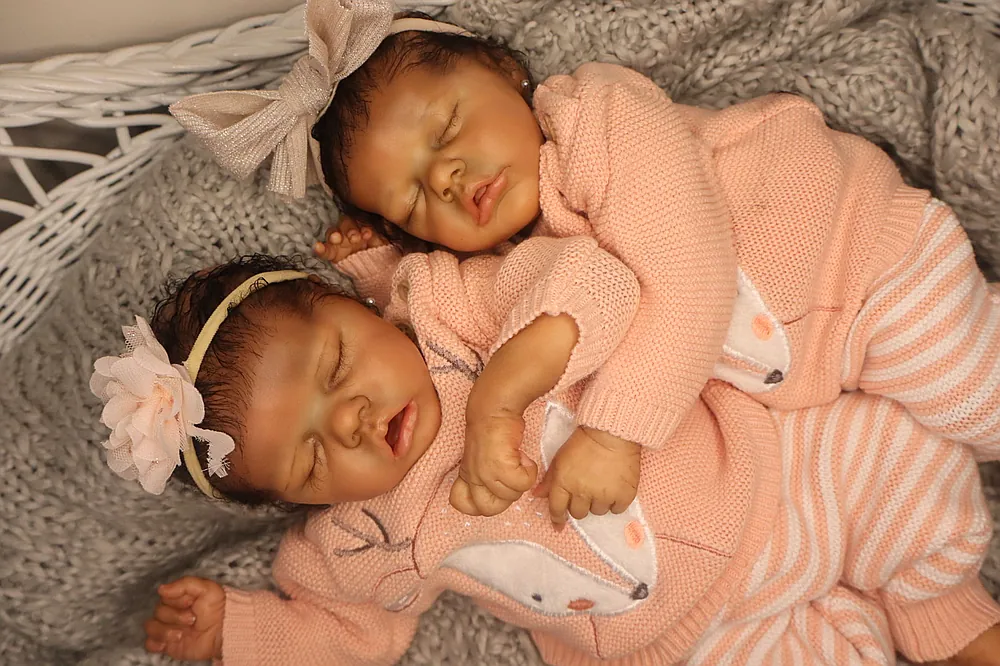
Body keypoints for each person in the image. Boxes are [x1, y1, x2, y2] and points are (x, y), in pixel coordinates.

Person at [171, 0, 1000, 523]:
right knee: (895, 499)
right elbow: (463, 312)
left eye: (447, 130)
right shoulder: (525, 249)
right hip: (821, 369)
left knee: (979, 403)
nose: (448, 177)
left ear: (505, 72)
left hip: (867, 264)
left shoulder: (599, 117)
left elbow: (686, 266)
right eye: (416, 198)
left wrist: (614, 432)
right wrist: (383, 271)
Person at [91, 249, 1000, 665]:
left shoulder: (451, 310)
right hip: (689, 641)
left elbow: (598, 281)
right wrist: (243, 632)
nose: (354, 422)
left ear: (359, 306)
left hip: (765, 470)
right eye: (311, 461)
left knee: (903, 466)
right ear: (302, 504)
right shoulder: (358, 540)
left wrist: (502, 388)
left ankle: (948, 618)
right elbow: (352, 634)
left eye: (336, 368)